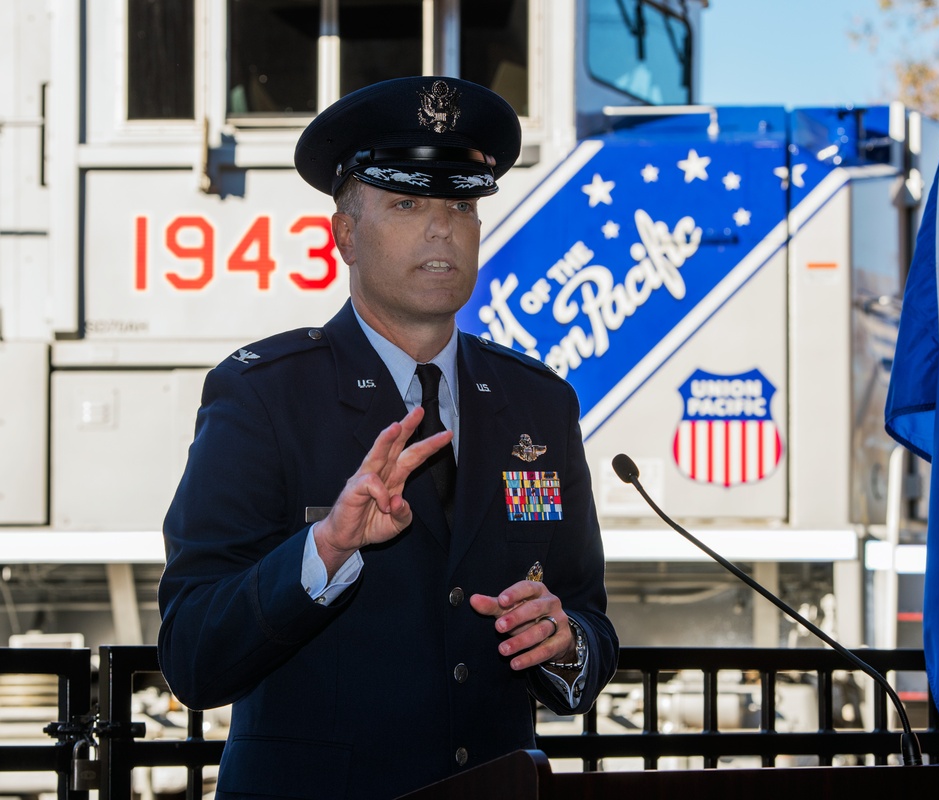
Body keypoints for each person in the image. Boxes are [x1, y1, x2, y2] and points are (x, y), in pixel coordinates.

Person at [157, 75, 618, 800]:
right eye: (407, 202)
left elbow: (587, 616)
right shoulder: (263, 394)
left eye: (461, 205)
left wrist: (564, 646)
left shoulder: (539, 403)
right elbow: (191, 656)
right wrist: (324, 552)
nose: (442, 228)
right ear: (344, 233)